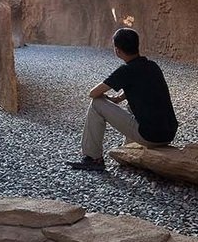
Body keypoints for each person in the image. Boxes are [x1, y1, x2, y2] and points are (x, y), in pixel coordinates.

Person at [69, 27, 178, 170]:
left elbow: (93, 93)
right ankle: (129, 147)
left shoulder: (125, 71)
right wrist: (118, 98)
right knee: (131, 105)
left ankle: (93, 158)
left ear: (117, 50)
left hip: (150, 137)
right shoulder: (152, 66)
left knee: (96, 104)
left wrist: (106, 97)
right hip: (169, 133)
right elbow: (144, 87)